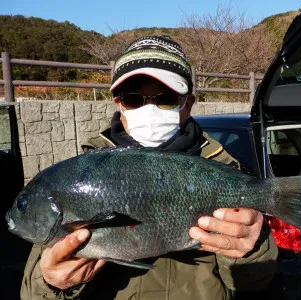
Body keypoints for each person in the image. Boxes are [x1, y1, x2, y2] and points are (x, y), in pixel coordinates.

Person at [21, 35, 278, 300]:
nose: (150, 109)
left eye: (166, 98)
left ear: (187, 103)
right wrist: (51, 283)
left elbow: (254, 284)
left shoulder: (224, 170)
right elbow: (31, 293)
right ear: (118, 102)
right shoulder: (79, 176)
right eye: (133, 99)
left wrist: (251, 249)